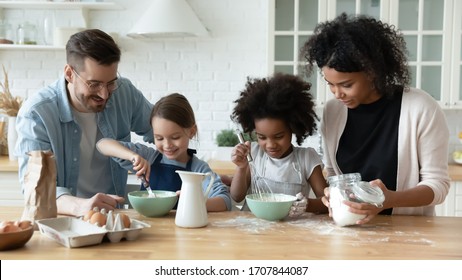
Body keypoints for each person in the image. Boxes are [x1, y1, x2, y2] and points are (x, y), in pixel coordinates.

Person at [300, 13, 450, 224]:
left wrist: (388, 200)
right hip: (350, 229)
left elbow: (438, 186)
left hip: (407, 233)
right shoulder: (333, 111)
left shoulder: (421, 108)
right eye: (330, 83)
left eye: (346, 84)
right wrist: (332, 195)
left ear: (372, 72)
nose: (337, 93)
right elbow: (335, 174)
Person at [15, 29, 154, 217]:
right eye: (94, 84)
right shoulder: (36, 114)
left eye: (111, 82)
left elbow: (160, 131)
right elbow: (36, 189)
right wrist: (81, 206)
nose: (104, 94)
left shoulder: (124, 92)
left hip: (114, 218)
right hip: (63, 220)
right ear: (69, 74)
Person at [97, 93, 231, 212]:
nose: (167, 145)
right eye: (159, 138)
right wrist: (132, 156)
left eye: (175, 137)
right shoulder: (148, 157)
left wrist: (193, 201)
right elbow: (102, 144)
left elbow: (225, 201)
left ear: (191, 131)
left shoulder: (198, 168)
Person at [230, 73, 328, 215]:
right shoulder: (253, 153)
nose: (270, 144)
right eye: (262, 137)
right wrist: (241, 167)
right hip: (253, 230)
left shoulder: (306, 158)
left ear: (293, 129)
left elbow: (326, 202)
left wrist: (308, 205)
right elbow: (236, 196)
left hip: (291, 232)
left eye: (279, 136)